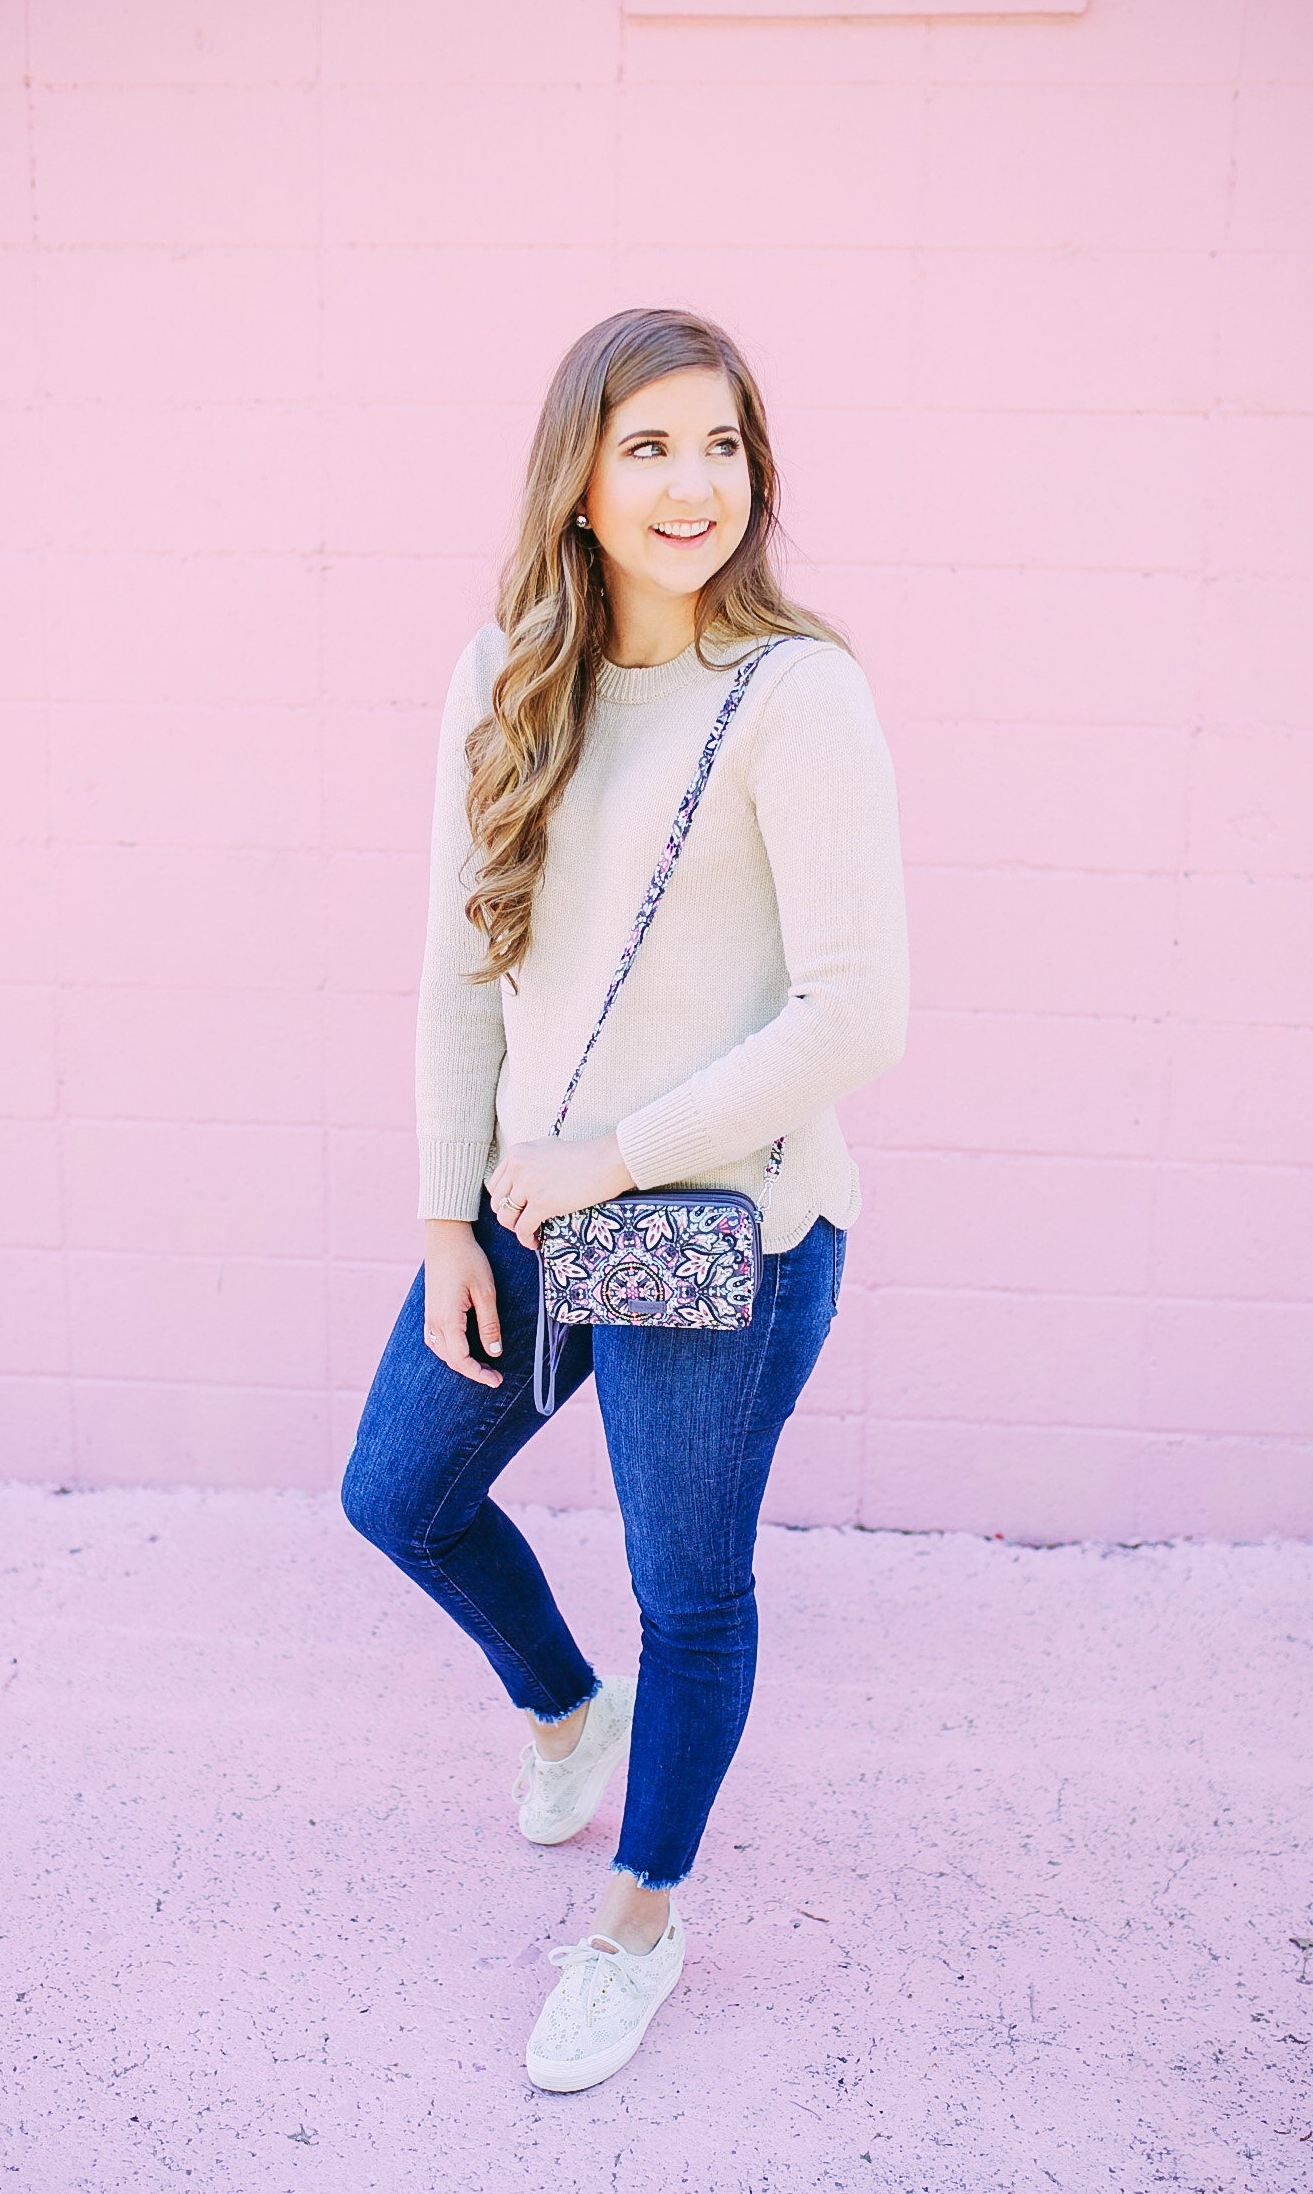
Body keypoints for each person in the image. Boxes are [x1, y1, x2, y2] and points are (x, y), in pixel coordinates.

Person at [341, 307, 909, 2092]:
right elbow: (458, 965)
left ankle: (639, 1923)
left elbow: (857, 1015)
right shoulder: (507, 672)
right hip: (530, 1202)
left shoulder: (798, 696)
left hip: (718, 1232)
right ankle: (566, 1711)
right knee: (398, 1492)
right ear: (577, 481)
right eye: (648, 446)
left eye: (722, 445)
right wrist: (446, 1211)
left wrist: (621, 1149)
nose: (692, 484)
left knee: (691, 1591)